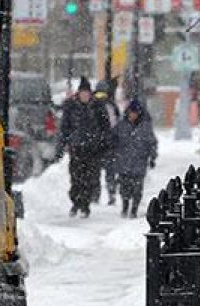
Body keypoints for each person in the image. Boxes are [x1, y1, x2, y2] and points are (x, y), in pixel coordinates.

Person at [59, 77, 111, 218]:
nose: (85, 96)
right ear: (78, 93)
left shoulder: (97, 107)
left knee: (90, 179)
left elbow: (105, 127)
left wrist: (103, 143)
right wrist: (65, 142)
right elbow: (64, 127)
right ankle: (76, 202)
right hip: (76, 149)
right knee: (76, 178)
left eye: (87, 93)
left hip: (92, 149)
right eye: (83, 93)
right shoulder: (71, 107)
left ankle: (85, 205)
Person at [113, 98, 158, 218]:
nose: (132, 115)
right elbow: (113, 140)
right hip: (124, 162)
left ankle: (134, 209)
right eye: (131, 112)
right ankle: (125, 206)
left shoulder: (145, 127)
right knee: (124, 188)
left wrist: (152, 157)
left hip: (139, 162)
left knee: (137, 189)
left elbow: (152, 143)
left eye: (135, 112)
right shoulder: (121, 126)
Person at [93, 78, 121, 206]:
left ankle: (96, 196)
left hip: (97, 144)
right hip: (107, 144)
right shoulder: (110, 105)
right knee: (109, 172)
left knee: (96, 172)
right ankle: (111, 195)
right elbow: (115, 124)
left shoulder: (91, 105)